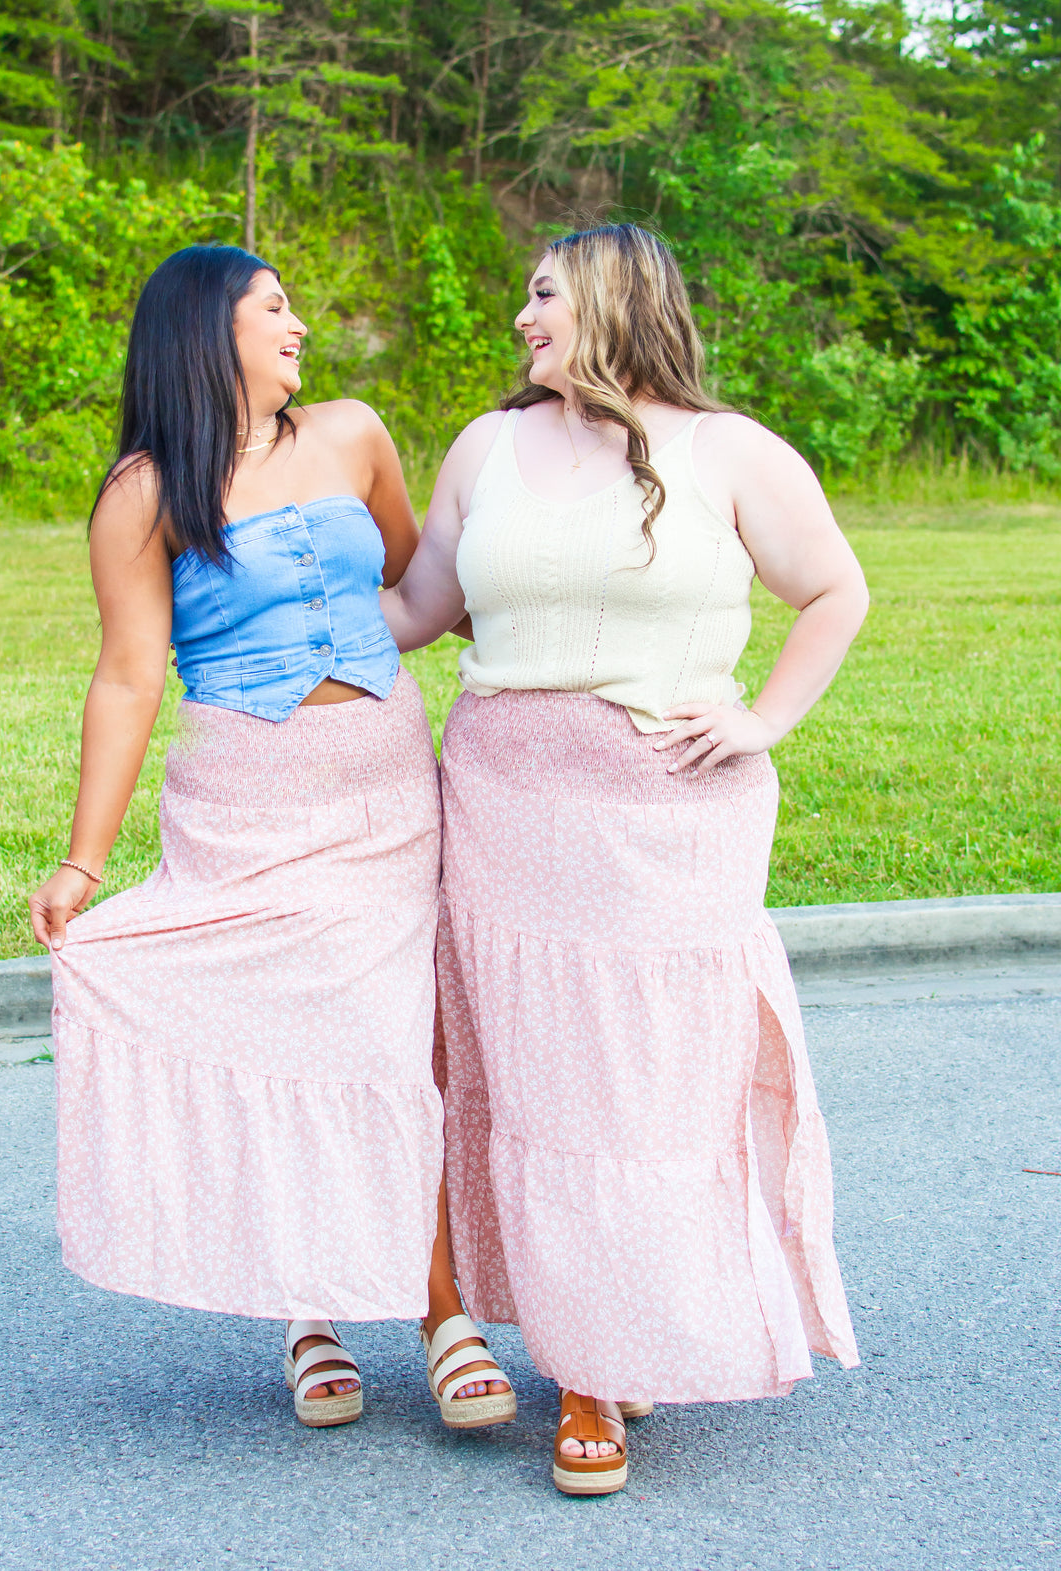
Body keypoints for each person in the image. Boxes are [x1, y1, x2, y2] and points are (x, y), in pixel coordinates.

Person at [380, 223, 865, 1494]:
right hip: (505, 797)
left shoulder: (730, 450)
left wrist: (763, 716)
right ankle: (586, 1369)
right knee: (539, 1084)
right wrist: (256, 585)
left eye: (542, 295)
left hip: (666, 809)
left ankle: (626, 1314)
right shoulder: (487, 445)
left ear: (609, 300)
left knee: (648, 1085)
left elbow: (836, 592)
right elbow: (423, 607)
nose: (523, 319)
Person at [28, 244, 515, 1431]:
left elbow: (420, 583)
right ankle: (309, 1305)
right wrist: (84, 858)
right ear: (208, 332)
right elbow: (131, 675)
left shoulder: (353, 432)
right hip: (243, 801)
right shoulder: (143, 490)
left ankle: (441, 1307)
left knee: (397, 1043)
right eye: (275, 308)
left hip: (389, 789)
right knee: (299, 1041)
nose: (299, 325)